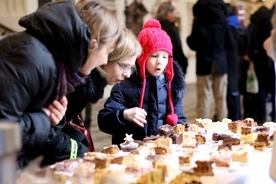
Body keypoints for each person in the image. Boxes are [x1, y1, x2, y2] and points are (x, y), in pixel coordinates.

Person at [0, 0, 122, 168]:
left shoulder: (58, 66)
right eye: (107, 52)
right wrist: (44, 119)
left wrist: (53, 122)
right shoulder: (32, 58)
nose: (105, 60)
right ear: (92, 45)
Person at [98, 19, 187, 146]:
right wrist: (124, 114)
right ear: (141, 58)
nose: (160, 62)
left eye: (165, 57)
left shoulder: (171, 87)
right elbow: (104, 120)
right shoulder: (124, 85)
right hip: (131, 152)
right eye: (154, 56)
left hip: (161, 150)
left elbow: (180, 120)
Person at [62, 27, 142, 151]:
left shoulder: (90, 83)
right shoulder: (80, 87)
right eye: (124, 66)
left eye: (131, 68)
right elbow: (52, 129)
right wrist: (78, 151)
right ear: (107, 58)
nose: (128, 74)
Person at [186, 0, 233, 121]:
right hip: (220, 62)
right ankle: (223, 126)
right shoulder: (223, 20)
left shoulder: (198, 21)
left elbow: (193, 44)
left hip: (203, 62)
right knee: (221, 97)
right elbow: (230, 43)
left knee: (204, 97)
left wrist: (188, 39)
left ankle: (202, 130)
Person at [243, 5, 274, 124]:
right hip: (270, 59)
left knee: (260, 88)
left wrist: (251, 55)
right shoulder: (270, 19)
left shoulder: (255, 23)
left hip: (259, 59)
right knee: (271, 87)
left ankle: (261, 117)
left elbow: (251, 40)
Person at [155, 1, 188, 76]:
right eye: (173, 11)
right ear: (166, 13)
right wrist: (184, 62)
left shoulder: (157, 27)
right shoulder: (169, 28)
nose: (175, 14)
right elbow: (176, 49)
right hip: (173, 66)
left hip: (162, 66)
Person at [225, 3, 242, 121]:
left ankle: (233, 118)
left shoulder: (228, 26)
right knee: (234, 91)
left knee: (230, 91)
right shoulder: (237, 24)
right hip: (236, 60)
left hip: (229, 60)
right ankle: (236, 116)